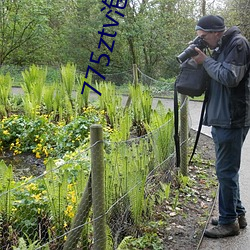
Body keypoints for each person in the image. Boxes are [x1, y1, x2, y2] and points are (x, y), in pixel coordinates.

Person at [192, 15, 250, 238]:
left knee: (225, 171)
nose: (203, 41)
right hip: (222, 117)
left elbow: (229, 77)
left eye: (204, 37)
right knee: (227, 171)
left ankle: (228, 223)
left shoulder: (238, 44)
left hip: (232, 118)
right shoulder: (221, 46)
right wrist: (202, 60)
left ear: (216, 32)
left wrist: (205, 61)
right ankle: (237, 214)